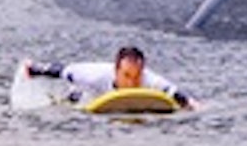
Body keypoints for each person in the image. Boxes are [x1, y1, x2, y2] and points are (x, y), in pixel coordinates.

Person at [25, 46, 193, 108]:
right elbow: (63, 71)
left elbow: (175, 92)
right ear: (116, 71)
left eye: (137, 76)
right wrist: (34, 69)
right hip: (90, 92)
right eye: (127, 76)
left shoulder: (150, 80)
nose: (132, 82)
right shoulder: (95, 75)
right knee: (73, 100)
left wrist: (193, 106)